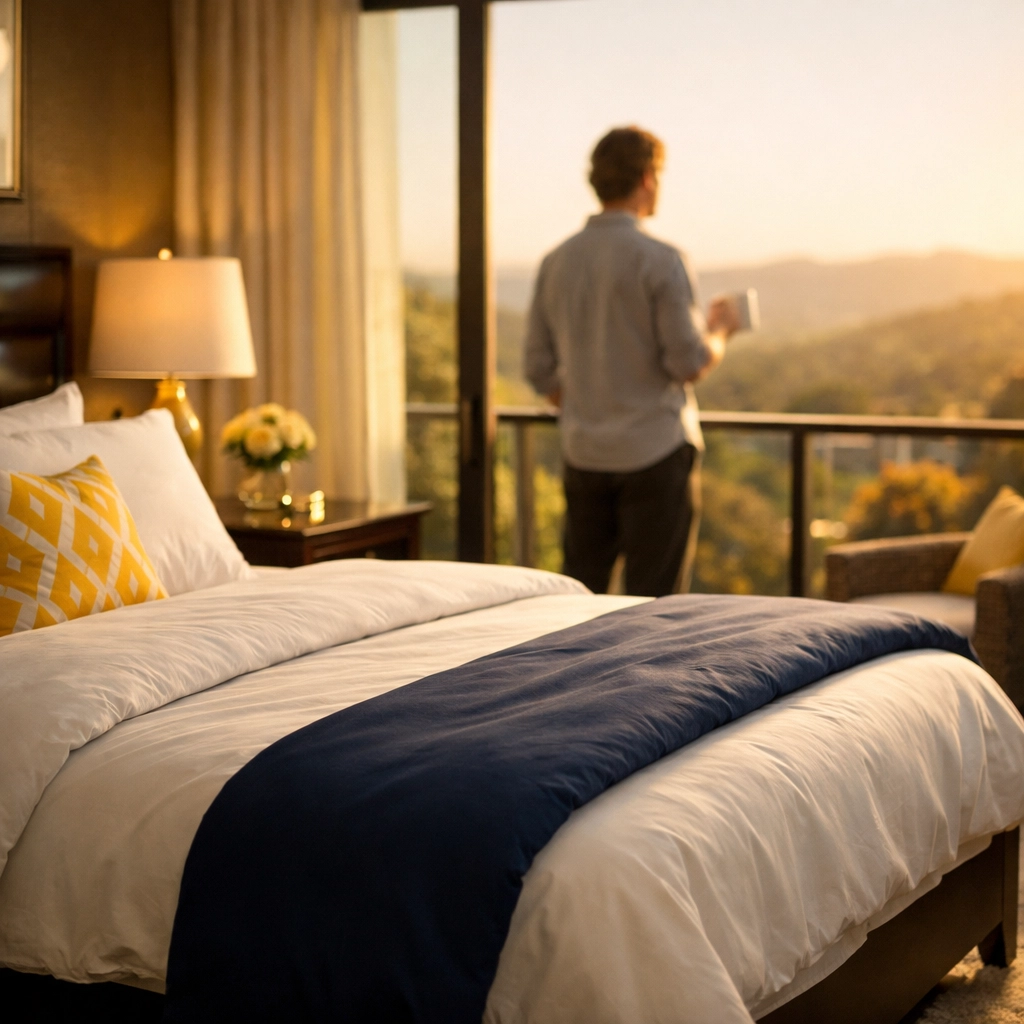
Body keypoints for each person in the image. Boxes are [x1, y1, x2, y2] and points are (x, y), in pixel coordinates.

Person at [524, 126, 739, 597]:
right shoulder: (661, 260)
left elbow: (538, 367)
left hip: (584, 454)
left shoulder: (555, 261)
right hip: (655, 455)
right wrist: (722, 328)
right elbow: (690, 362)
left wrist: (587, 403)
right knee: (655, 610)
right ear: (646, 177)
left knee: (579, 603)